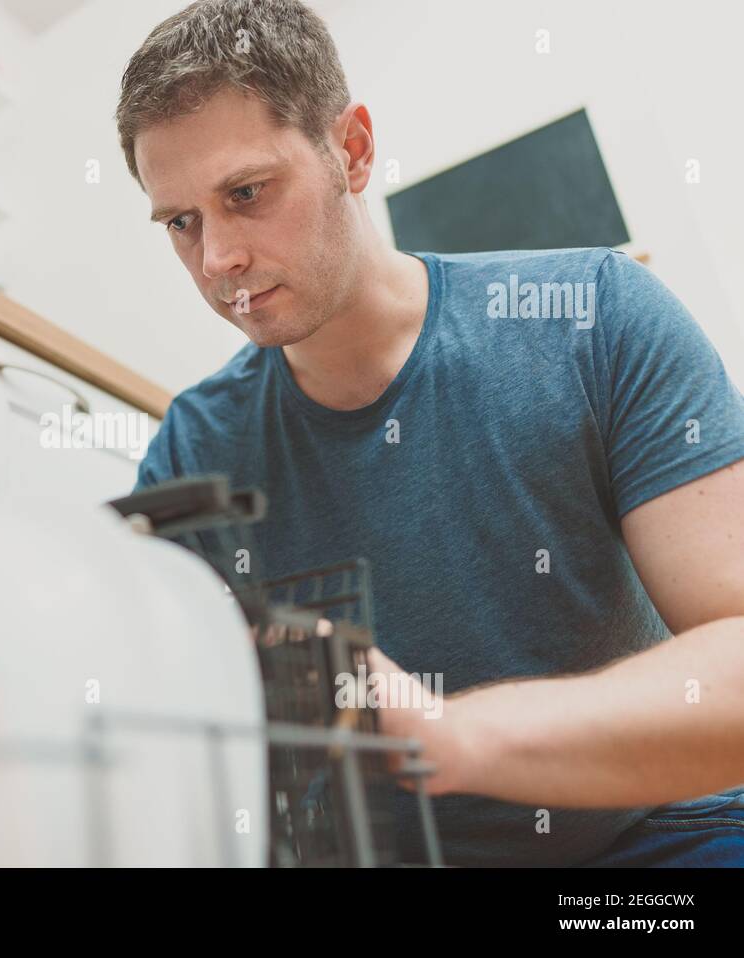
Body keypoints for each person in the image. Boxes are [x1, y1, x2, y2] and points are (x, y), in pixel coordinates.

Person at [120, 0, 744, 866]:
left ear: (354, 150)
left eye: (247, 193)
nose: (216, 256)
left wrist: (451, 736)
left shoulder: (597, 318)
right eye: (181, 222)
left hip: (658, 841)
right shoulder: (195, 452)